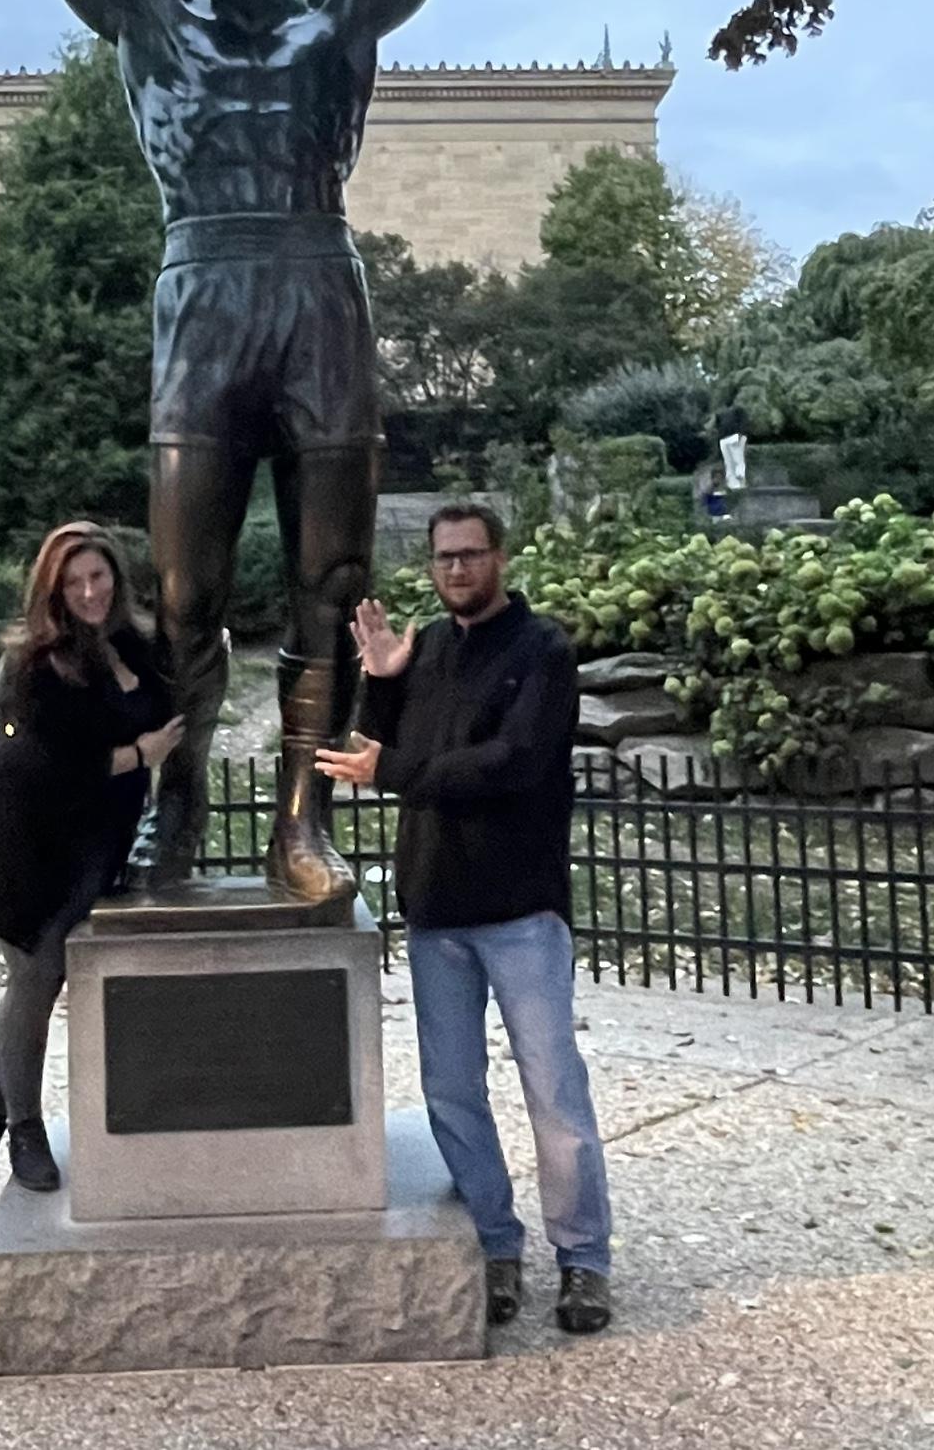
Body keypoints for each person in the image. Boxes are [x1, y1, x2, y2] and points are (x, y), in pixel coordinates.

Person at [0, 0, 560, 903]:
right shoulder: (149, 17)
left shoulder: (339, 15)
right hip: (201, 296)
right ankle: (177, 808)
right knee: (183, 587)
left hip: (318, 286)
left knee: (328, 582)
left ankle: (302, 821)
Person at [316, 502, 614, 1336]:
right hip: (439, 909)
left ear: (500, 558)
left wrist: (398, 765)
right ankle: (494, 1243)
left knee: (553, 1090)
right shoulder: (431, 649)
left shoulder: (543, 651)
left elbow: (511, 764)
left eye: (471, 555)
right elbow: (370, 756)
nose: (456, 570)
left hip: (520, 909)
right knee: (452, 1092)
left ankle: (585, 1261)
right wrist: (381, 677)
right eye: (445, 558)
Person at [0, 522, 183, 1207]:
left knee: (34, 983)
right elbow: (41, 764)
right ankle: (22, 1129)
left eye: (98, 575)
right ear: (52, 590)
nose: (88, 591)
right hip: (24, 844)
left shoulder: (134, 644)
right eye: (74, 581)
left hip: (92, 845)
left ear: (116, 576)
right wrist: (138, 755)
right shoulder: (37, 662)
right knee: (38, 976)